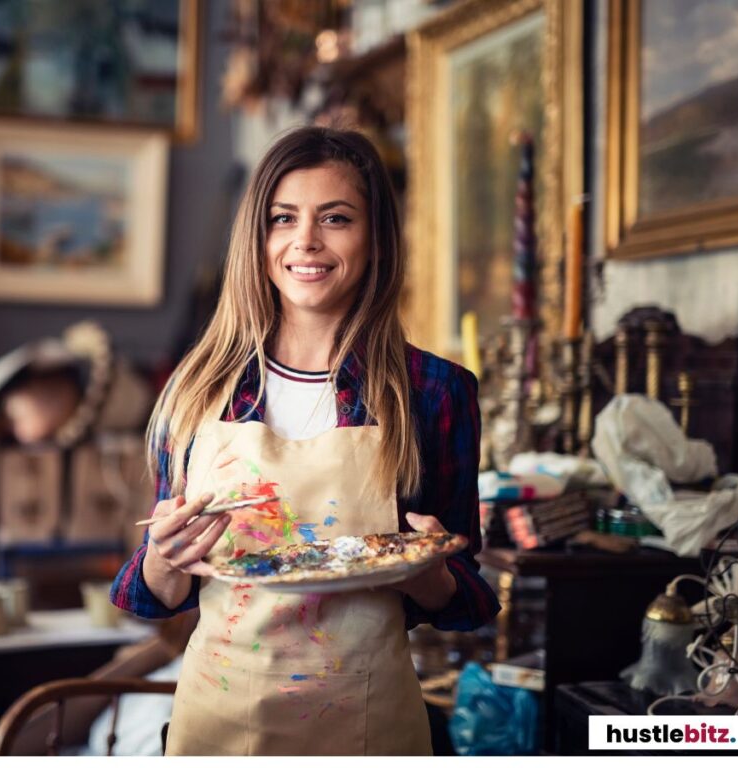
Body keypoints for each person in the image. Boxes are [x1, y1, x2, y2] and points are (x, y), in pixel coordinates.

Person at [111, 126, 501, 755]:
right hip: (219, 725)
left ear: (375, 240)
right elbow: (148, 596)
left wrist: (425, 573)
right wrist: (163, 556)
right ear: (257, 239)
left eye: (336, 218)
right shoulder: (198, 388)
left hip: (368, 726)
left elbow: (471, 600)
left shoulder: (434, 391)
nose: (305, 242)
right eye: (283, 218)